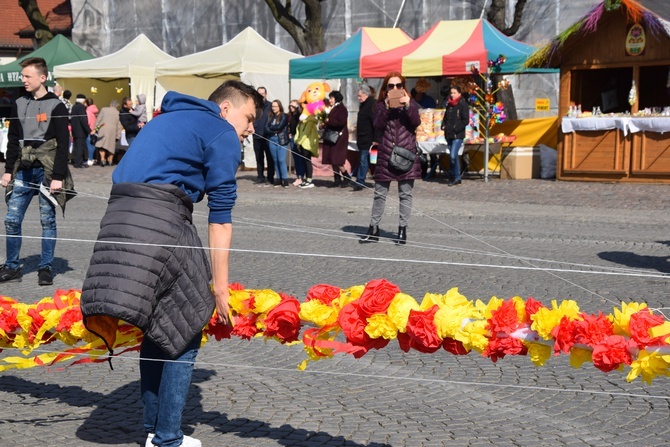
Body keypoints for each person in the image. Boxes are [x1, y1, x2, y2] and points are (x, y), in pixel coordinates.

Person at [80, 80, 262, 447]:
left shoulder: (165, 119)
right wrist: (220, 288)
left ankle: (153, 431)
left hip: (117, 218)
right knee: (189, 321)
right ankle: (167, 439)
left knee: (160, 323)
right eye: (249, 118)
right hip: (160, 220)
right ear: (226, 109)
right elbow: (221, 218)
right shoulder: (220, 131)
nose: (252, 129)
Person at [0, 57, 72, 285]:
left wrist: (58, 176)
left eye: (27, 76)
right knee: (11, 220)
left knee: (47, 220)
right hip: (23, 170)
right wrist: (8, 170)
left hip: (47, 171)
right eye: (23, 76)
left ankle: (46, 268)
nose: (24, 80)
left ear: (42, 78)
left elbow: (63, 143)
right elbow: (13, 140)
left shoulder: (57, 106)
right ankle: (11, 267)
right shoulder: (19, 103)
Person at [360, 71, 421, 246]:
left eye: (398, 85)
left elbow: (416, 122)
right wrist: (387, 107)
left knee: (405, 194)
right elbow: (377, 125)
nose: (395, 88)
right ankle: (373, 229)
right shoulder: (380, 105)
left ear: (403, 87)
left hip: (406, 153)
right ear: (386, 89)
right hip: (386, 153)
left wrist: (408, 106)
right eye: (391, 86)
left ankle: (402, 230)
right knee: (379, 194)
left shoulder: (411, 103)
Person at [442, 85, 470, 186]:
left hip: (458, 134)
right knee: (452, 156)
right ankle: (457, 177)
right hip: (449, 133)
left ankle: (453, 175)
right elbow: (446, 117)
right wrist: (443, 125)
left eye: (454, 93)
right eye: (451, 93)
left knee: (453, 156)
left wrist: (456, 128)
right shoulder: (449, 104)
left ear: (459, 93)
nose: (452, 95)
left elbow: (465, 120)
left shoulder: (463, 104)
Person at [321, 90, 349, 188]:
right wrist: (323, 124)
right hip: (331, 137)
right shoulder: (331, 108)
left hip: (339, 137)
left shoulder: (342, 109)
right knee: (332, 159)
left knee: (337, 159)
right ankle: (337, 179)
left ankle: (346, 177)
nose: (330, 100)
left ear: (336, 98)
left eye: (331, 98)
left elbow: (340, 122)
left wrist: (328, 121)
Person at [353, 83, 376, 191]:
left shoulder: (371, 105)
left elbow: (375, 123)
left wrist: (376, 139)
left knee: (365, 161)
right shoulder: (364, 105)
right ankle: (361, 180)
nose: (358, 98)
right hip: (363, 139)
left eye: (360, 96)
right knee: (366, 161)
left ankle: (360, 181)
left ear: (366, 94)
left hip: (368, 139)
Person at [265, 100, 290, 188]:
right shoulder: (270, 116)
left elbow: (280, 127)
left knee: (281, 160)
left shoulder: (283, 116)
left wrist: (272, 128)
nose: (274, 108)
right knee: (275, 160)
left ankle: (285, 179)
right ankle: (278, 179)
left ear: (279, 107)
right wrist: (273, 129)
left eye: (275, 106)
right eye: (273, 106)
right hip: (272, 139)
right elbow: (266, 128)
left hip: (281, 139)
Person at [252, 86, 274, 185]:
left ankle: (270, 177)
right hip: (256, 136)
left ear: (265, 94)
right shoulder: (254, 106)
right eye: (259, 93)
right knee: (259, 158)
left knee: (270, 158)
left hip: (267, 137)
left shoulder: (270, 106)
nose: (261, 95)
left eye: (263, 93)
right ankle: (260, 176)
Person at [94, 99, 121, 167]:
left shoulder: (103, 109)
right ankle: (110, 161)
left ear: (110, 104)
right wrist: (118, 135)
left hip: (103, 128)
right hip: (112, 130)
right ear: (117, 106)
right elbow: (119, 125)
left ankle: (103, 159)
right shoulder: (117, 113)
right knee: (111, 145)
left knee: (102, 145)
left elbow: (98, 119)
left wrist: (96, 128)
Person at [70, 93, 91, 169]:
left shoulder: (74, 106)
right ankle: (78, 163)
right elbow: (83, 120)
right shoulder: (81, 107)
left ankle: (76, 161)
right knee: (80, 147)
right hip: (80, 131)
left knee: (76, 147)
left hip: (75, 130)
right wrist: (88, 130)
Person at [287, 100, 305, 186]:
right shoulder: (290, 116)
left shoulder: (299, 115)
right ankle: (298, 176)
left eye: (293, 106)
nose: (291, 108)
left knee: (299, 158)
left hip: (298, 138)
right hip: (292, 137)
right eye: (290, 106)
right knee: (296, 158)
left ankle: (300, 177)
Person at [85, 97, 98, 165]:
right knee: (93, 144)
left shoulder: (88, 111)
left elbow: (88, 121)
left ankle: (90, 159)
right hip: (95, 129)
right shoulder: (94, 109)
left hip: (90, 129)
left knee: (89, 145)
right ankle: (94, 158)